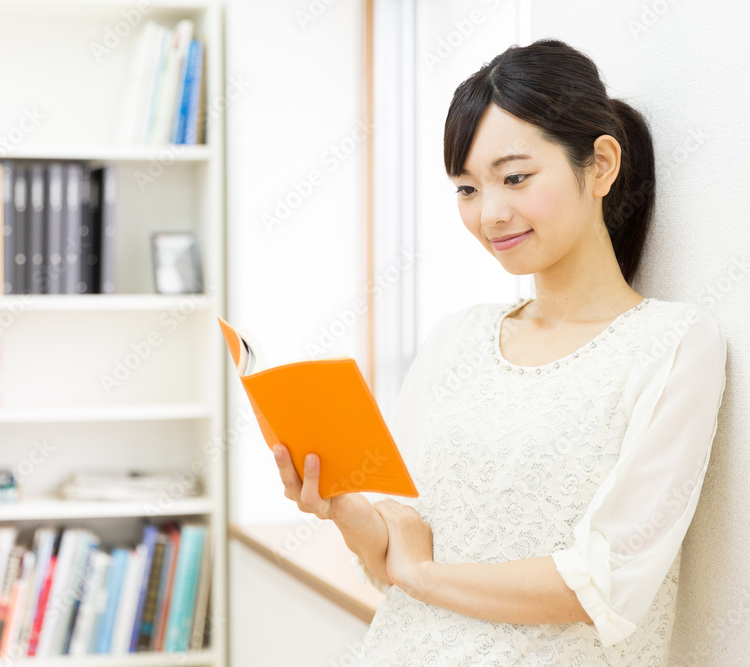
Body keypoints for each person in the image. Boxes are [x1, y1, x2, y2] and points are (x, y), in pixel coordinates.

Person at [272, 39, 728, 664]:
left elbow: (607, 580)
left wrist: (424, 577)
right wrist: (342, 507)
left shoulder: (673, 344)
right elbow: (394, 546)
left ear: (599, 164)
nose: (490, 214)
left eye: (515, 178)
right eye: (466, 189)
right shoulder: (457, 338)